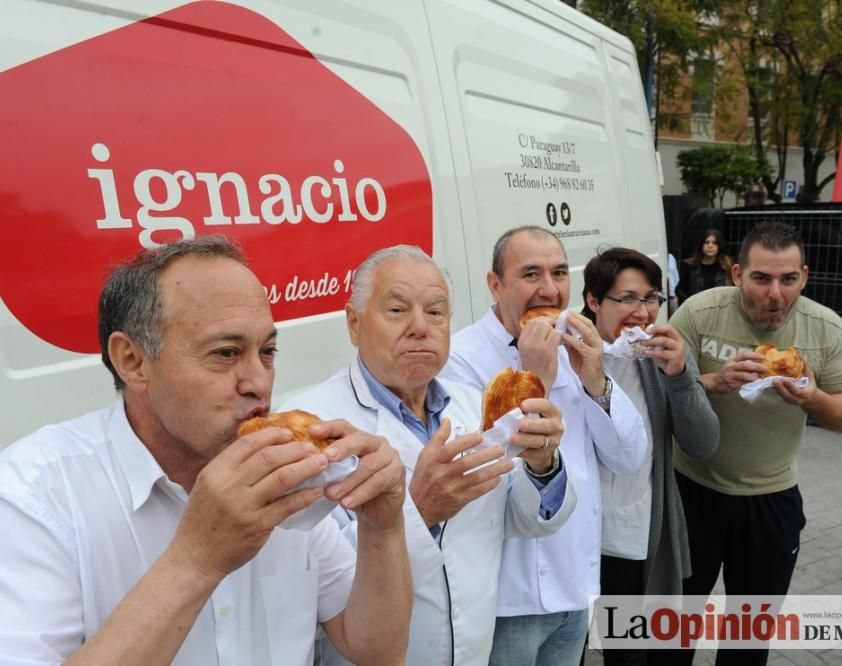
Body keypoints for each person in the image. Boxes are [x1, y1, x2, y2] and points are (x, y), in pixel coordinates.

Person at [0, 236, 412, 665]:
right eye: (226, 354)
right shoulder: (28, 499)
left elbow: (375, 649)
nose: (259, 384)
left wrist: (383, 525)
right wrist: (197, 559)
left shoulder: (287, 474)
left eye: (267, 352)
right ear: (133, 362)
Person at [284, 245, 575, 665]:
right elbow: (314, 581)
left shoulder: (477, 406)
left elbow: (518, 519)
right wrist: (418, 509)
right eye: (398, 310)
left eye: (436, 312)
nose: (421, 327)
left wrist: (541, 464)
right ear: (354, 323)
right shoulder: (312, 427)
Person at [440, 226, 647, 665]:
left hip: (577, 588)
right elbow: (479, 468)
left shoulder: (576, 345)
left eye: (559, 273)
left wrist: (596, 380)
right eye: (530, 274)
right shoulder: (460, 359)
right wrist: (537, 380)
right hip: (507, 599)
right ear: (495, 285)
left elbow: (628, 458)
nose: (549, 290)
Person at [668, 222, 842, 665]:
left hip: (770, 501)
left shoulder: (827, 330)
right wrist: (713, 382)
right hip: (691, 493)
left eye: (788, 279)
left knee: (746, 644)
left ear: (804, 277)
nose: (775, 293)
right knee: (672, 633)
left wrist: (814, 398)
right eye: (761, 278)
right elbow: (654, 393)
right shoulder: (699, 313)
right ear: (737, 274)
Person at [580, 247, 719, 665]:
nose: (642, 313)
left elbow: (704, 442)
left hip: (635, 541)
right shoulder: (564, 354)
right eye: (627, 299)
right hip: (574, 543)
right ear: (593, 301)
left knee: (629, 657)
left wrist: (679, 377)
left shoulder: (661, 357)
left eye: (651, 298)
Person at [675, 228, 732, 304]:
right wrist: (692, 304)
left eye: (714, 243)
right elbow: (680, 291)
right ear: (701, 245)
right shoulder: (689, 266)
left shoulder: (726, 267)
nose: (710, 246)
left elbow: (732, 291)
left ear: (719, 246)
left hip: (719, 311)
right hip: (695, 310)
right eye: (707, 242)